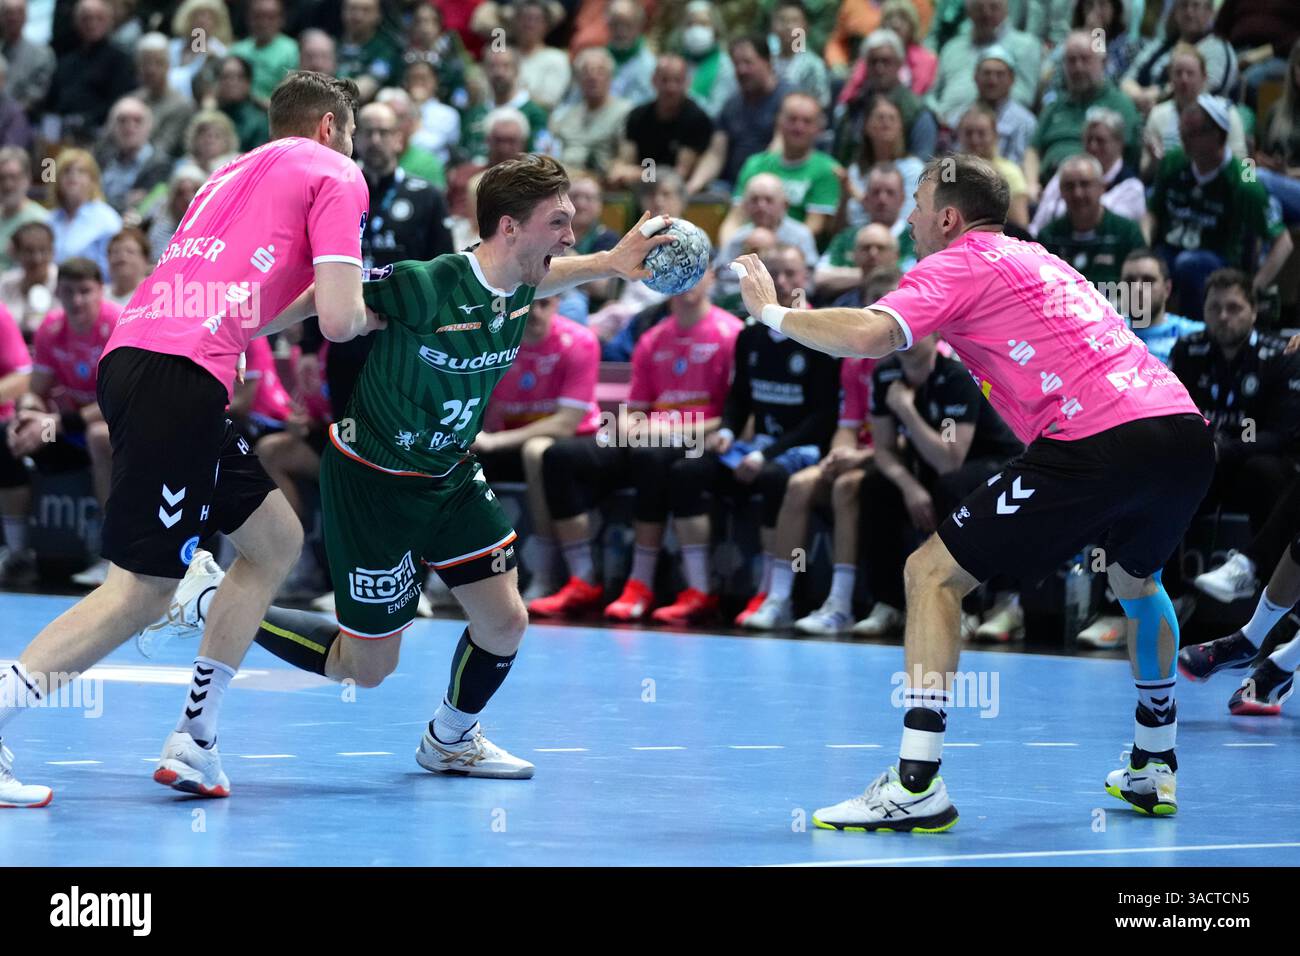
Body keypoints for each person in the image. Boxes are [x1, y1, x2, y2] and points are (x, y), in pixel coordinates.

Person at [731, 153, 1215, 829]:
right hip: (1183, 433)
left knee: (929, 574)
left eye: (919, 205)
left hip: (1095, 438)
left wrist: (775, 314)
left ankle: (915, 782)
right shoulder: (1041, 257)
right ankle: (1154, 765)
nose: (910, 219)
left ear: (949, 217)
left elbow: (871, 335)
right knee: (1138, 583)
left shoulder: (957, 261)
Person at [153, 155, 672, 781]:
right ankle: (217, 598)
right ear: (509, 228)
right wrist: (235, 334)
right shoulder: (429, 282)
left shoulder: (524, 280)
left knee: (506, 620)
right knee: (365, 669)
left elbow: (554, 274)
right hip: (373, 482)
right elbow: (326, 295)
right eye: (558, 221)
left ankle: (450, 739)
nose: (570, 234)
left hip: (449, 475)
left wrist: (610, 263)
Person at [0, 71, 376, 807]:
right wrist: (377, 306)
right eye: (353, 131)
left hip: (140, 356)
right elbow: (338, 322)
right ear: (331, 127)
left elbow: (252, 314)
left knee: (273, 541)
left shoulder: (227, 174)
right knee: (143, 591)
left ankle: (195, 740)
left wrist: (336, 297)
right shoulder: (339, 171)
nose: (353, 145)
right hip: (180, 376)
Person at [530, 270, 742, 621]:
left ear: (711, 278)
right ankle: (582, 580)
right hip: (650, 435)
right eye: (678, 273)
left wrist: (665, 430)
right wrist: (630, 427)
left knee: (650, 456)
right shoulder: (653, 338)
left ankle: (642, 582)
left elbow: (735, 418)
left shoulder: (732, 333)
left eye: (696, 271)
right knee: (560, 456)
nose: (687, 281)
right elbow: (633, 412)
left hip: (700, 438)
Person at [657, 245, 839, 625]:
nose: (785, 282)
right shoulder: (751, 334)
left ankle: (772, 596)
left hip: (801, 449)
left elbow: (823, 418)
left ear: (805, 278)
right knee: (686, 472)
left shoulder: (823, 334)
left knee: (774, 480)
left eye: (792, 274)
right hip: (754, 446)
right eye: (777, 274)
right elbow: (740, 398)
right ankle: (700, 592)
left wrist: (766, 455)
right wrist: (726, 430)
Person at [475, 293, 602, 601]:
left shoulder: (580, 341)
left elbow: (565, 424)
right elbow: (488, 410)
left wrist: (493, 441)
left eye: (544, 304)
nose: (535, 313)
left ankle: (548, 574)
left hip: (574, 440)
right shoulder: (499, 341)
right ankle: (449, 574)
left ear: (558, 303)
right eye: (530, 305)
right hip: (510, 439)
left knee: (538, 452)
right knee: (460, 460)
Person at [0, 258, 118, 587]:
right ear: (58, 293)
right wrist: (27, 413)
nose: (77, 300)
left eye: (85, 291)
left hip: (114, 424)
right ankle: (18, 551)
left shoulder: (118, 326)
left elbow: (116, 401)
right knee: (9, 434)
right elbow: (35, 390)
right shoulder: (52, 329)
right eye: (69, 292)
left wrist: (51, 422)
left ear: (100, 291)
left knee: (98, 436)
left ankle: (109, 556)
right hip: (63, 427)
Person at [1147, 97, 1293, 321]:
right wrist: (1142, 244)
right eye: (1182, 131)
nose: (1184, 139)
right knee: (1142, 265)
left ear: (1219, 136)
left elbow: (1283, 243)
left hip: (1219, 261)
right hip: (1170, 249)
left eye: (1193, 133)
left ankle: (1198, 331)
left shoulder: (1245, 181)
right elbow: (1152, 213)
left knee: (1189, 263)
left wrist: (1253, 288)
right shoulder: (1174, 161)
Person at [1037, 154, 1146, 287]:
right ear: (1060, 191)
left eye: (1085, 184)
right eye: (1069, 186)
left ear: (1102, 187)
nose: (1077, 193)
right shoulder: (1048, 237)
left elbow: (1141, 293)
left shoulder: (1127, 233)